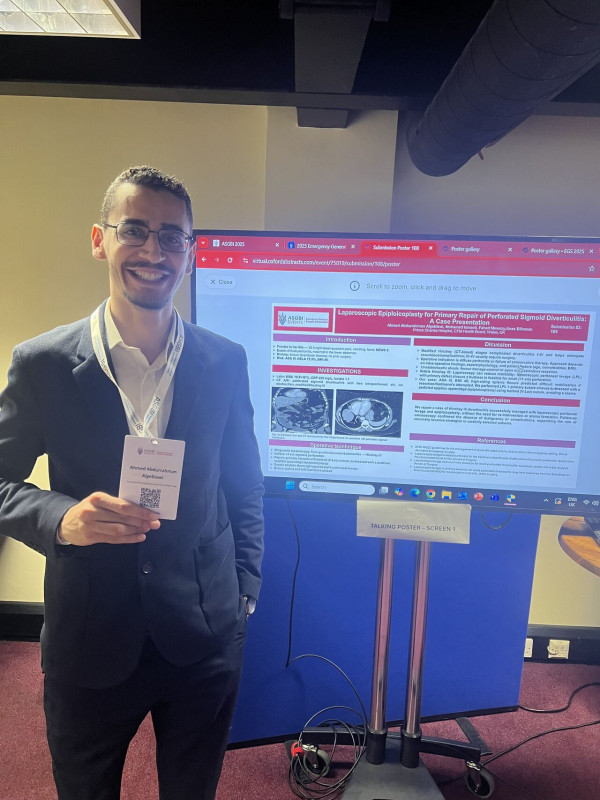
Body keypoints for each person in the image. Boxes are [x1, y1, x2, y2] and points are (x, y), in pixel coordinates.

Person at [0, 165, 265, 800]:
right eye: (135, 230)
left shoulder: (224, 361)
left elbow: (243, 483)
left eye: (173, 237)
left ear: (190, 252)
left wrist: (245, 589)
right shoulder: (42, 364)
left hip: (204, 631)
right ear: (100, 240)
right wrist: (61, 517)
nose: (154, 251)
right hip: (90, 634)